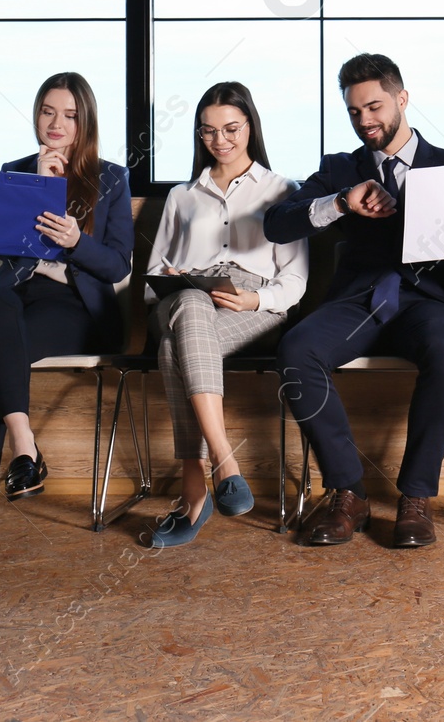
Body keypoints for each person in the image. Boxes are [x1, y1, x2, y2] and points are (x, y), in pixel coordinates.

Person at [264, 54, 444, 548]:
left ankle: (415, 497)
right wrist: (342, 201)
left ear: (402, 99)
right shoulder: (339, 169)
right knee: (297, 350)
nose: (365, 121)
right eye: (353, 112)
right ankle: (348, 490)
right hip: (362, 301)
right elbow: (277, 223)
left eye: (374, 107)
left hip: (432, 301)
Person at [0, 72, 134, 555]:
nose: (56, 123)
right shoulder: (16, 170)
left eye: (70, 115)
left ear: (85, 121)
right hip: (17, 298)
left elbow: (117, 264)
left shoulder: (111, 177)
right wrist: (38, 187)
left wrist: (75, 239)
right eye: (48, 111)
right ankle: (24, 446)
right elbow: (8, 251)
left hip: (78, 307)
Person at [143, 82, 309, 548]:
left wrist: (255, 300)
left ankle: (194, 492)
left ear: (250, 127)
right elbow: (154, 274)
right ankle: (224, 461)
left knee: (176, 346)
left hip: (251, 303)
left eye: (231, 128)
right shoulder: (183, 195)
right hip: (183, 295)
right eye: (209, 132)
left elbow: (294, 282)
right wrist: (177, 279)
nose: (221, 140)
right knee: (190, 306)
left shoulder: (283, 190)